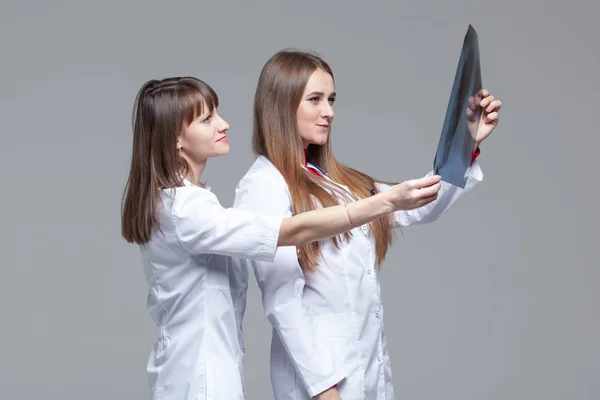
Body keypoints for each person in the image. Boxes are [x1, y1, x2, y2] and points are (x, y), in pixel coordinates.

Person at [120, 76, 445, 400]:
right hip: (199, 378)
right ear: (175, 138)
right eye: (207, 119)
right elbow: (290, 232)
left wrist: (463, 150)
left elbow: (411, 206)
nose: (224, 124)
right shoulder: (186, 209)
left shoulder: (191, 201)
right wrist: (383, 202)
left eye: (217, 113)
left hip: (202, 370)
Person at [233, 51, 502, 400]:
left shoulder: (338, 183)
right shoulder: (263, 186)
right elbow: (282, 300)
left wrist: (467, 144)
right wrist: (324, 391)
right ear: (280, 104)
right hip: (319, 383)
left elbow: (418, 203)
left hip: (367, 369)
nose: (328, 111)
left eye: (331, 99)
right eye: (314, 99)